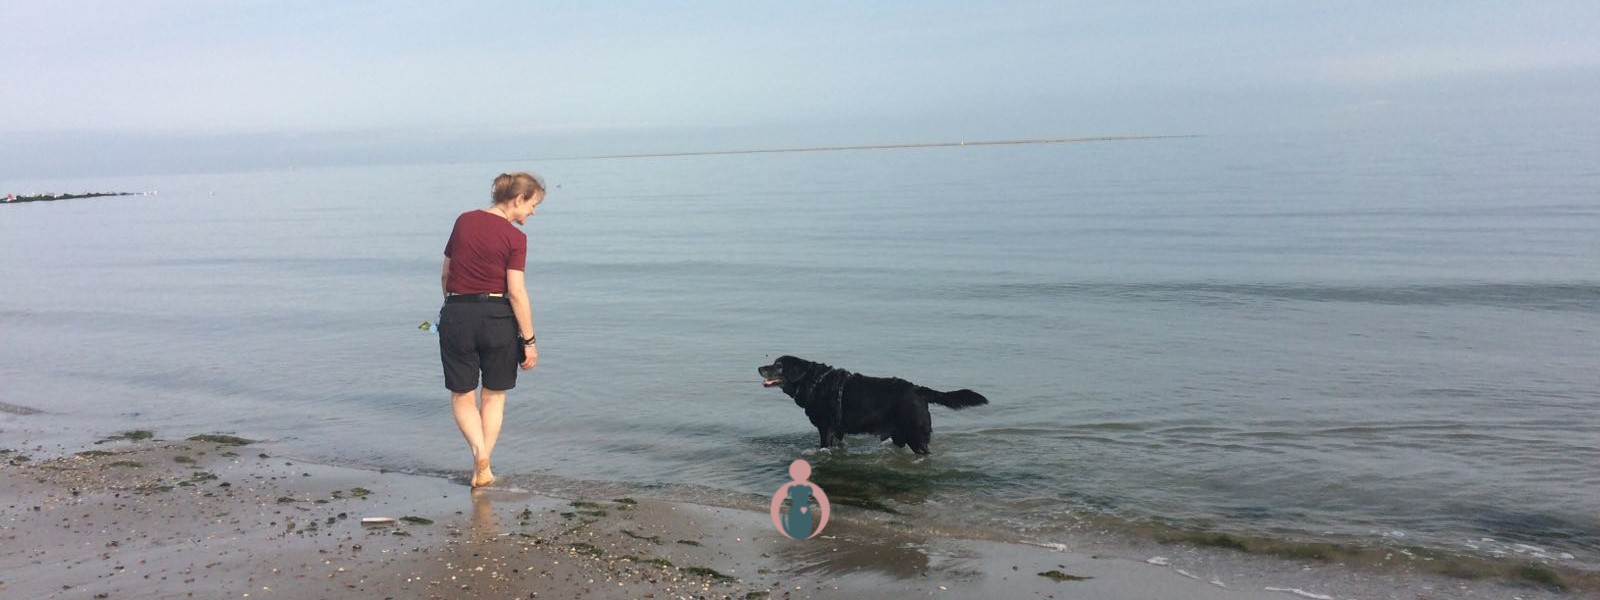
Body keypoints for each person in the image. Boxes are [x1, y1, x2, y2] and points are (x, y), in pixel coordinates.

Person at [438, 172, 544, 488]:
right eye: (534, 205)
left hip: (457, 314)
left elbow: (446, 274)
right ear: (518, 199)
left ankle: (480, 457)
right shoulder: (516, 239)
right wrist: (530, 341)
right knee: (494, 396)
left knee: (462, 395)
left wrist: (455, 308)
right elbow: (517, 292)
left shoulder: (463, 221)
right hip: (498, 317)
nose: (533, 213)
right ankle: (483, 463)